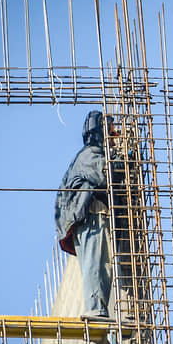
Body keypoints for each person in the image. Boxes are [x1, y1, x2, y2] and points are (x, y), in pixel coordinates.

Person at [54, 110, 117, 320]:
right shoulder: (90, 154)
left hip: (89, 215)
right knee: (95, 263)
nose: (115, 138)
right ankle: (96, 309)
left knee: (102, 265)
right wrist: (122, 160)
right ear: (100, 131)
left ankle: (98, 309)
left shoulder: (89, 154)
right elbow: (104, 176)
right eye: (111, 132)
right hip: (90, 215)